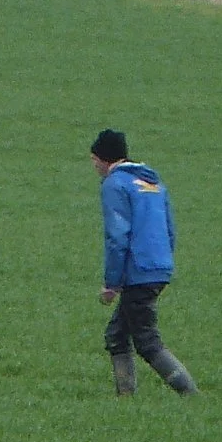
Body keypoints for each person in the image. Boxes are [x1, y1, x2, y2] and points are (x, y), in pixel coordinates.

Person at [92, 130, 198, 396]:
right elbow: (170, 229)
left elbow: (117, 236)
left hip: (139, 270)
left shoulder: (115, 185)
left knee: (146, 340)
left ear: (104, 159)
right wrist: (161, 263)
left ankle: (190, 393)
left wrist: (112, 283)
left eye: (94, 161)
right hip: (159, 266)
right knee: (117, 334)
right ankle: (125, 398)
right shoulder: (152, 183)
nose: (94, 167)